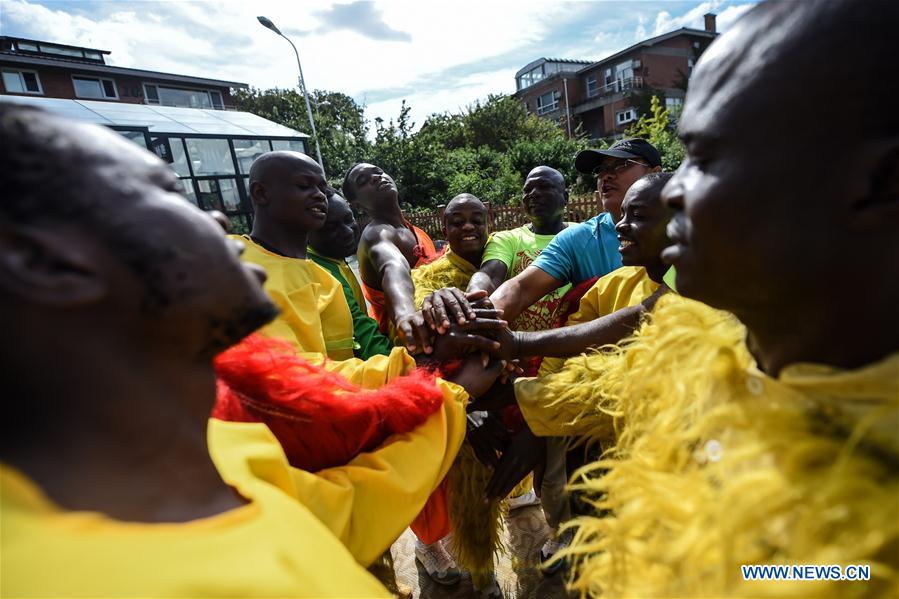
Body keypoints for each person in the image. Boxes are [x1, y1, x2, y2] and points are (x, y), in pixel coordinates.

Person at [0, 106, 505, 596]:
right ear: (47, 263)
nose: (215, 217)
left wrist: (435, 376)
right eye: (166, 192)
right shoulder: (62, 571)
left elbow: (345, 504)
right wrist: (434, 374)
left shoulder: (225, 449)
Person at [497, 0, 899, 596]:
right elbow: (621, 373)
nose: (674, 194)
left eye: (705, 159)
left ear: (879, 182)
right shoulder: (715, 352)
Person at [343, 162, 446, 354]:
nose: (376, 177)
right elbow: (393, 268)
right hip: (409, 340)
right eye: (363, 181)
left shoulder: (416, 232)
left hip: (436, 318)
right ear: (356, 204)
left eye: (379, 172)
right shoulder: (376, 235)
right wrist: (405, 315)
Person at [308, 190, 393, 360]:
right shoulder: (320, 271)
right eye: (331, 227)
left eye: (349, 219)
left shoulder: (334, 258)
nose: (347, 231)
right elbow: (362, 332)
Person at [412, 193, 489, 310]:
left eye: (477, 221)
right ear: (445, 232)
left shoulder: (508, 254)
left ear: (490, 227)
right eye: (458, 222)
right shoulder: (427, 279)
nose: (468, 226)